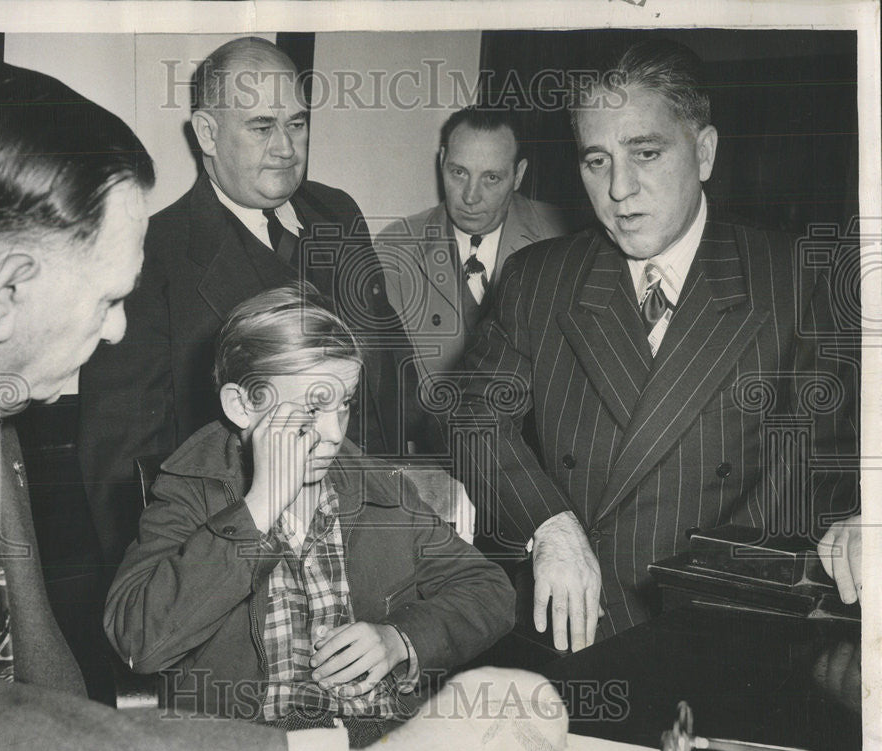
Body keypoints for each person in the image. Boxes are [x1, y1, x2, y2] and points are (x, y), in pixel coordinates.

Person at [0, 60, 564, 751]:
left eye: (297, 122)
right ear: (4, 296)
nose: (117, 330)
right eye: (105, 301)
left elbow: (36, 677)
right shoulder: (163, 467)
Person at [451, 39, 860, 652]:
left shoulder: (797, 279)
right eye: (596, 161)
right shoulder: (539, 278)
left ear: (704, 152)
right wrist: (548, 524)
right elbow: (470, 414)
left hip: (729, 627)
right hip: (571, 620)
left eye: (645, 152)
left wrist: (860, 520)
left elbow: (833, 461)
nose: (619, 189)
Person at [78, 36, 472, 572]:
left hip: (381, 529)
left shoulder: (337, 214)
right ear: (207, 134)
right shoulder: (155, 255)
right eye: (262, 127)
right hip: (251, 559)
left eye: (297, 123)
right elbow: (122, 465)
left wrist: (428, 471)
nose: (286, 147)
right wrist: (166, 593)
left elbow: (391, 367)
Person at [104, 285, 516, 746]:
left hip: (376, 737)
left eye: (345, 404)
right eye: (312, 409)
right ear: (242, 406)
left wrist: (400, 639)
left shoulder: (376, 487)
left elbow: (490, 590)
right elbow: (138, 641)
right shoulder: (189, 490)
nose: (334, 433)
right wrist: (257, 508)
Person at [377, 106, 567, 408]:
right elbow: (388, 389)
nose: (470, 196)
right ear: (441, 162)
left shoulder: (563, 242)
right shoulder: (395, 249)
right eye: (459, 172)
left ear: (518, 176)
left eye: (491, 178)